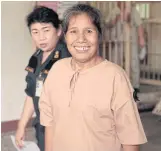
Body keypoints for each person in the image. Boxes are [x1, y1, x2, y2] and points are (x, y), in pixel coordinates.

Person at [39, 4, 147, 151]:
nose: (81, 39)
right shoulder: (56, 70)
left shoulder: (115, 77)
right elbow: (49, 124)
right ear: (65, 36)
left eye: (89, 31)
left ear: (99, 35)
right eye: (73, 31)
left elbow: (130, 137)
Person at [15, 6, 71, 151]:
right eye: (35, 32)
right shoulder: (36, 57)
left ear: (58, 31)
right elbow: (32, 93)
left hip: (63, 129)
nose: (41, 37)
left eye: (46, 30)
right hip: (41, 126)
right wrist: (21, 126)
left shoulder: (66, 59)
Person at [105, 2, 146, 95]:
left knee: (133, 63)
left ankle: (135, 86)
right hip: (117, 41)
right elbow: (107, 25)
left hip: (131, 41)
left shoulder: (133, 10)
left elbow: (139, 25)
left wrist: (141, 39)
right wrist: (117, 18)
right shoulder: (114, 11)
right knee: (115, 63)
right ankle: (116, 85)